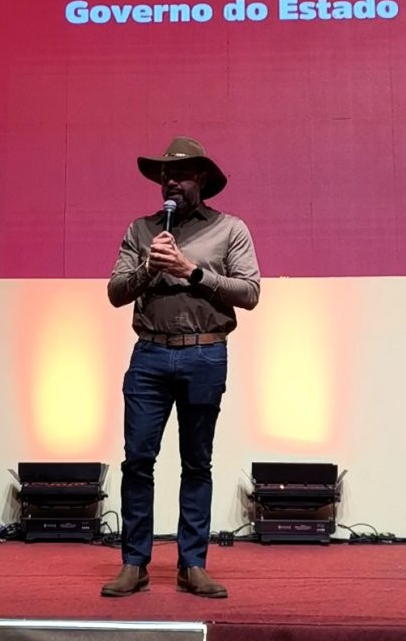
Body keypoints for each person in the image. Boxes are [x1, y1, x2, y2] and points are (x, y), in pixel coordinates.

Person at [102, 136, 260, 599]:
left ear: (202, 179)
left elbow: (250, 292)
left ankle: (193, 565)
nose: (171, 181)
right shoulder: (141, 230)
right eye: (166, 175)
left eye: (182, 174)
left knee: (196, 463)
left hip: (204, 353)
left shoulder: (230, 229)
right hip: (150, 354)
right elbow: (115, 292)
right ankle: (135, 563)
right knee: (137, 461)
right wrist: (149, 268)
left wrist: (192, 271)